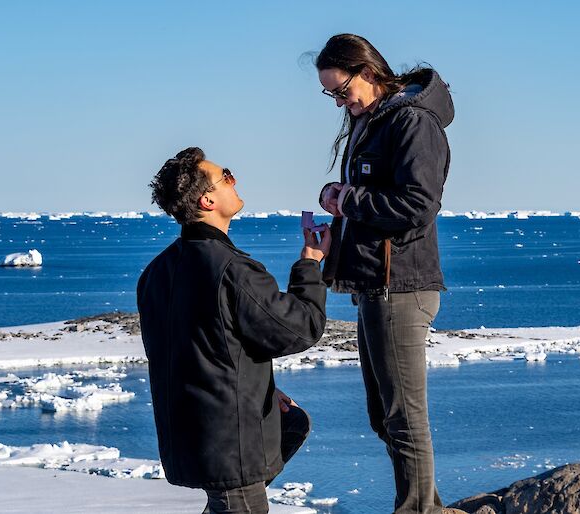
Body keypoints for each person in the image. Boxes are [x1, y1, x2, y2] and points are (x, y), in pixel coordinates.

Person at [137, 147, 331, 514]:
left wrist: (258, 389)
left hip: (191, 434)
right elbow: (301, 328)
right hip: (231, 446)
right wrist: (309, 264)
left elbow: (198, 352)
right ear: (207, 199)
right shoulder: (232, 269)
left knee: (294, 423)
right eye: (225, 175)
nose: (234, 179)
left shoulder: (155, 273)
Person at [314, 34, 462, 514]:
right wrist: (338, 197)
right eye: (330, 95)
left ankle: (418, 510)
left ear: (369, 71)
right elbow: (378, 193)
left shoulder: (413, 122)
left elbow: (418, 206)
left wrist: (348, 200)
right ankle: (427, 504)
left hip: (401, 285)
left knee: (403, 417)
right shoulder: (374, 120)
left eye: (342, 90)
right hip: (376, 284)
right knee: (386, 415)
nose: (340, 101)